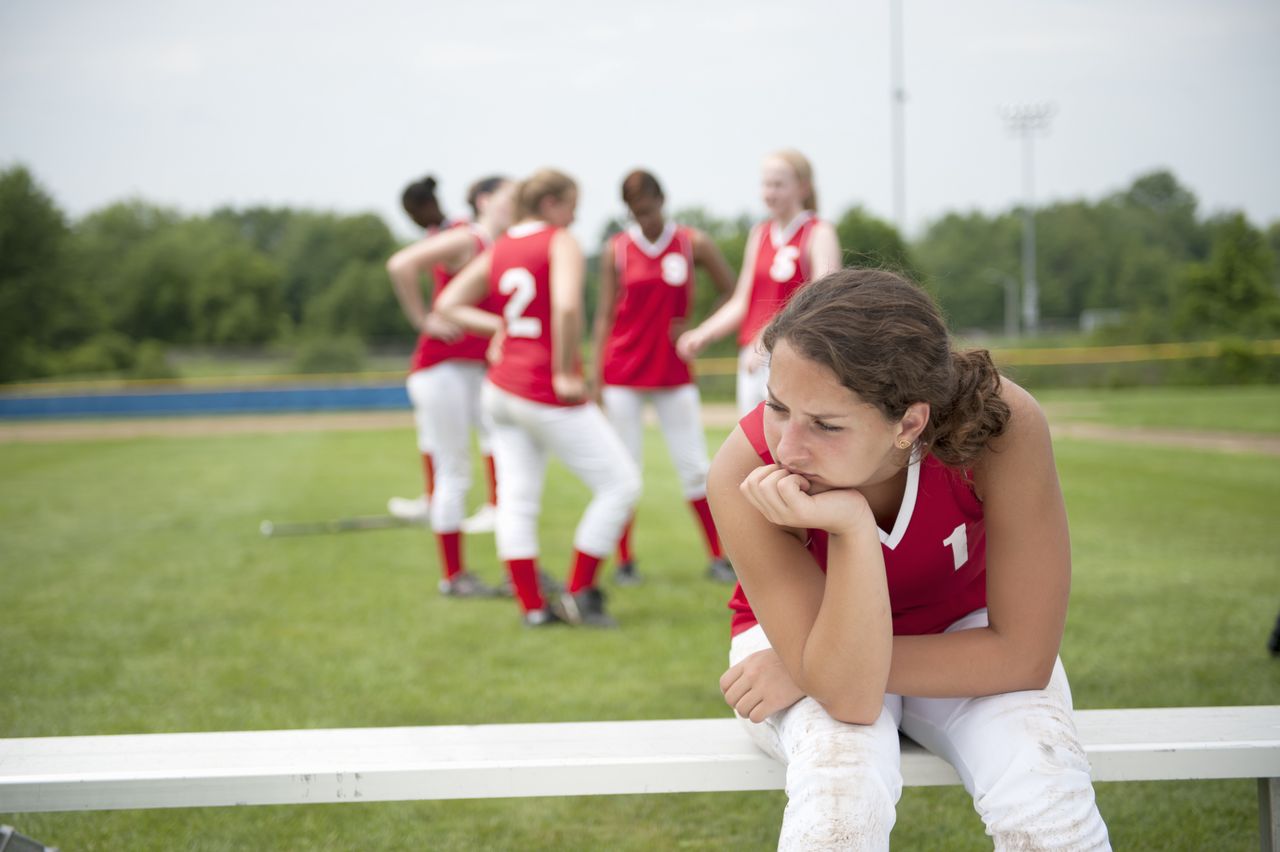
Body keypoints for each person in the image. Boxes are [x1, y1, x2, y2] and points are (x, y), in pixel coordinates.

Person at [710, 269, 1111, 849]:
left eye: (825, 424)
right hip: (794, 637)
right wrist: (849, 529)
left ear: (911, 422)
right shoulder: (745, 470)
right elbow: (847, 696)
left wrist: (815, 667)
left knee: (1045, 787)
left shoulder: (1000, 425)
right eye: (777, 406)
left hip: (950, 638)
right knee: (840, 789)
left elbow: (1023, 656)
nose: (787, 447)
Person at [434, 169, 641, 627]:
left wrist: (500, 329)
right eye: (571, 204)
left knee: (516, 500)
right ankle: (579, 593)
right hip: (541, 387)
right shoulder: (558, 239)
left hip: (500, 387)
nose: (576, 215)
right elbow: (567, 305)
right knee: (621, 484)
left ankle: (532, 608)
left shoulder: (503, 243)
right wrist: (566, 369)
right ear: (550, 203)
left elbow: (447, 302)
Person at [593, 169, 738, 585]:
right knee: (625, 469)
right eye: (635, 211)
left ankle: (718, 557)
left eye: (649, 207)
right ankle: (624, 561)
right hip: (622, 373)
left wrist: (700, 330)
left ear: (663, 199)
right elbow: (603, 315)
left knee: (694, 466)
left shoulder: (692, 243)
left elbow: (733, 289)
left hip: (673, 370)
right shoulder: (616, 249)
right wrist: (594, 378)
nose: (644, 217)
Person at [385, 175, 515, 597]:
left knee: (507, 462)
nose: (517, 204)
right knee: (454, 473)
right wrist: (423, 320)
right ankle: (454, 576)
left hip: (472, 372)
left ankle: (516, 568)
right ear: (484, 201)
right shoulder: (468, 238)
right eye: (509, 197)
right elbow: (400, 264)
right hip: (442, 370)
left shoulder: (504, 246)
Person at [677, 149, 841, 417]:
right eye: (766, 184)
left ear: (803, 187)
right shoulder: (760, 233)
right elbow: (743, 300)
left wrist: (769, 336)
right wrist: (703, 333)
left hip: (796, 354)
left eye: (778, 185)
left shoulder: (819, 232)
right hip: (753, 357)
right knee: (753, 446)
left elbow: (823, 300)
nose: (770, 192)